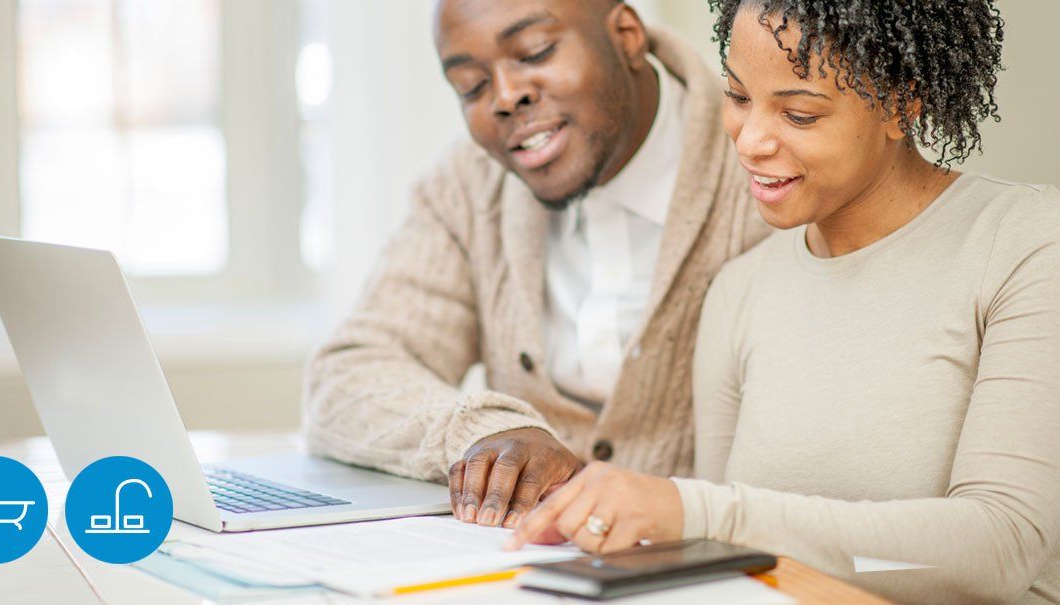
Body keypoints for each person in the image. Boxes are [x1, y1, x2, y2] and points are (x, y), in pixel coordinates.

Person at [506, 1, 1060, 603]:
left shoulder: (1025, 242)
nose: (750, 142)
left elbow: (999, 551)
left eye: (798, 114)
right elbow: (730, 566)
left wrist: (691, 510)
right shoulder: (740, 291)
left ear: (901, 104)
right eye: (739, 97)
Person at [302, 0, 770, 530]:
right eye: (471, 86)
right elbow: (347, 375)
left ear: (627, 35)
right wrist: (484, 431)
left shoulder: (765, 167)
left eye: (535, 52)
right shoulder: (470, 183)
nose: (505, 97)